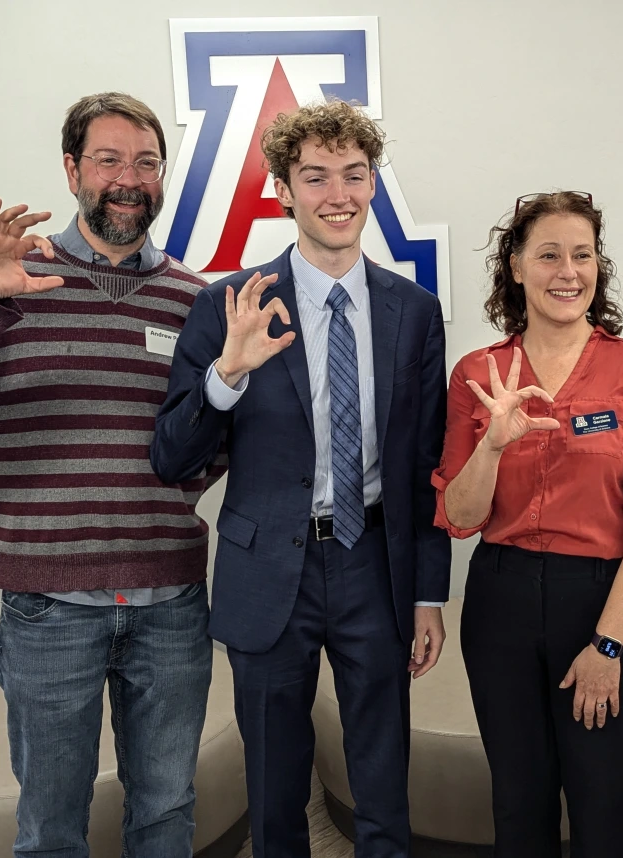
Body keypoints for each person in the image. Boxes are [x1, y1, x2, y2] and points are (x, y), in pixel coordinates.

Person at [0, 92, 221, 857]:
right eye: (108, 159)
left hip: (171, 607)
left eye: (146, 162)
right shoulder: (9, 283)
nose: (128, 178)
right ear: (71, 170)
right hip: (49, 610)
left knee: (166, 813)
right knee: (51, 825)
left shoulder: (198, 301)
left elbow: (214, 443)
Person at [150, 99, 450, 858]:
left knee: (383, 780)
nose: (338, 194)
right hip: (268, 570)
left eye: (354, 174)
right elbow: (171, 457)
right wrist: (226, 374)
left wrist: (427, 592)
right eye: (315, 177)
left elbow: (423, 465)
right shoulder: (231, 305)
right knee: (275, 789)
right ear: (283, 189)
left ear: (373, 184)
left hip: (375, 564)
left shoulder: (414, 311)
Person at [431, 191, 623, 858]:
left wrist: (607, 649)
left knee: (603, 807)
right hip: (501, 601)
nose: (568, 270)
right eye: (548, 254)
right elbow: (459, 518)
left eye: (583, 254)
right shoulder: (478, 376)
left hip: (604, 602)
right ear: (515, 267)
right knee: (519, 804)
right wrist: (492, 443)